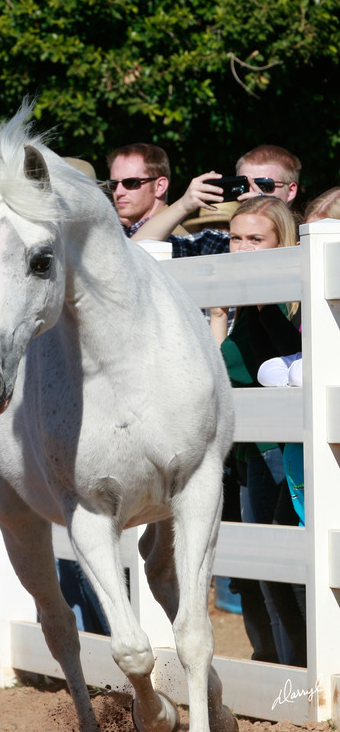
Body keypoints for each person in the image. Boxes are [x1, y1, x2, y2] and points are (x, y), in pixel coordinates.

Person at [211, 196, 302, 666]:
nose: (241, 248)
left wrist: (261, 304)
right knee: (264, 570)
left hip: (285, 450)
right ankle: (285, 672)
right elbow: (214, 372)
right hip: (247, 450)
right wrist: (220, 316)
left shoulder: (291, 298)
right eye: (234, 238)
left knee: (292, 566)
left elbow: (294, 356)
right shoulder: (242, 301)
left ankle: (308, 671)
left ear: (281, 242)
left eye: (255, 239)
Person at [132, 144, 301, 257]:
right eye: (243, 185)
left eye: (263, 186)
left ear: (291, 190)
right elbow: (138, 247)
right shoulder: (219, 243)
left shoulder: (310, 241)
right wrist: (184, 205)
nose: (251, 193)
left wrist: (268, 213)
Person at [106, 142, 227, 237]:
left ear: (160, 187)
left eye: (131, 183)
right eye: (113, 184)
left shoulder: (173, 240)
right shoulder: (121, 233)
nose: (119, 192)